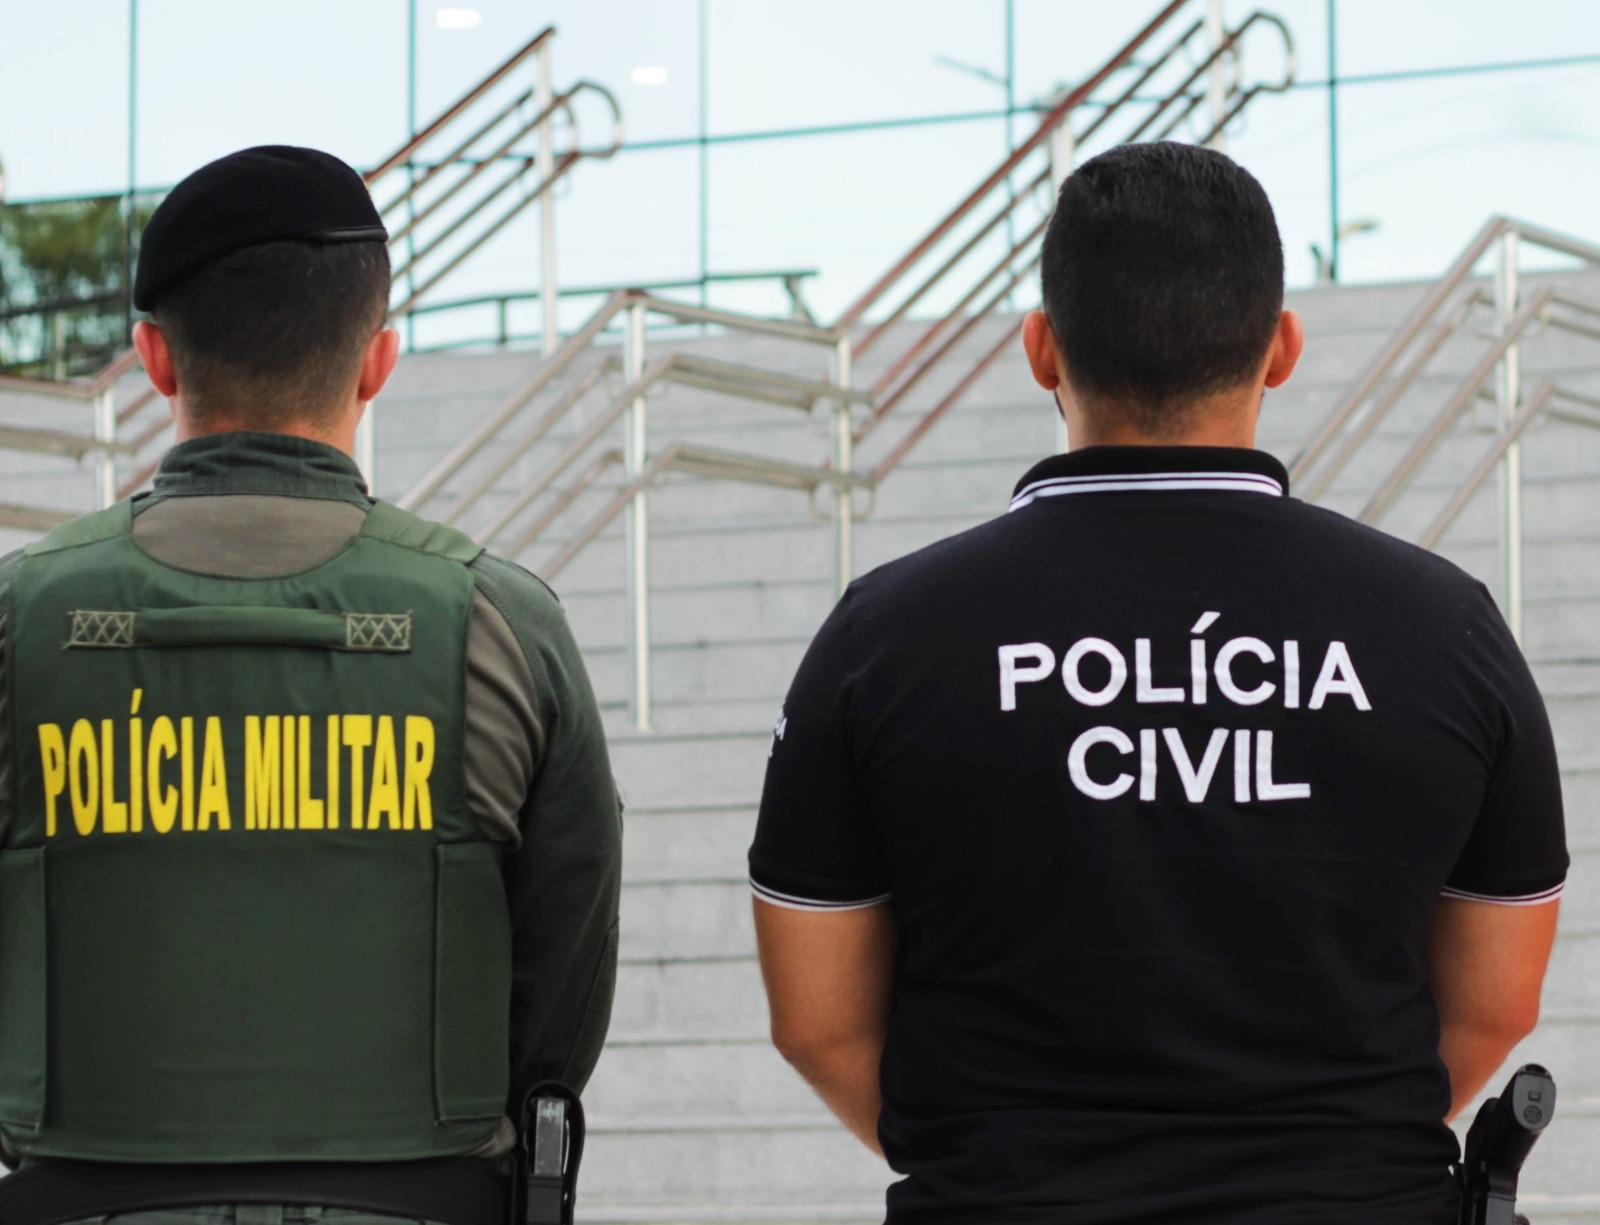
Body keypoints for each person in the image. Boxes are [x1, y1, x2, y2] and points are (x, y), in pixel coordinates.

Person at [748, 140, 1566, 1224]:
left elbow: (817, 1019)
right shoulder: (1445, 624)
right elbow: (1496, 1002)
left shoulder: (882, 634)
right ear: (1281, 347)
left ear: (1041, 349)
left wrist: (993, 1160)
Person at [0, 145, 621, 1224]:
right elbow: (560, 988)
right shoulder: (498, 622)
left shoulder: (20, 620)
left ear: (152, 354)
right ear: (379, 360)